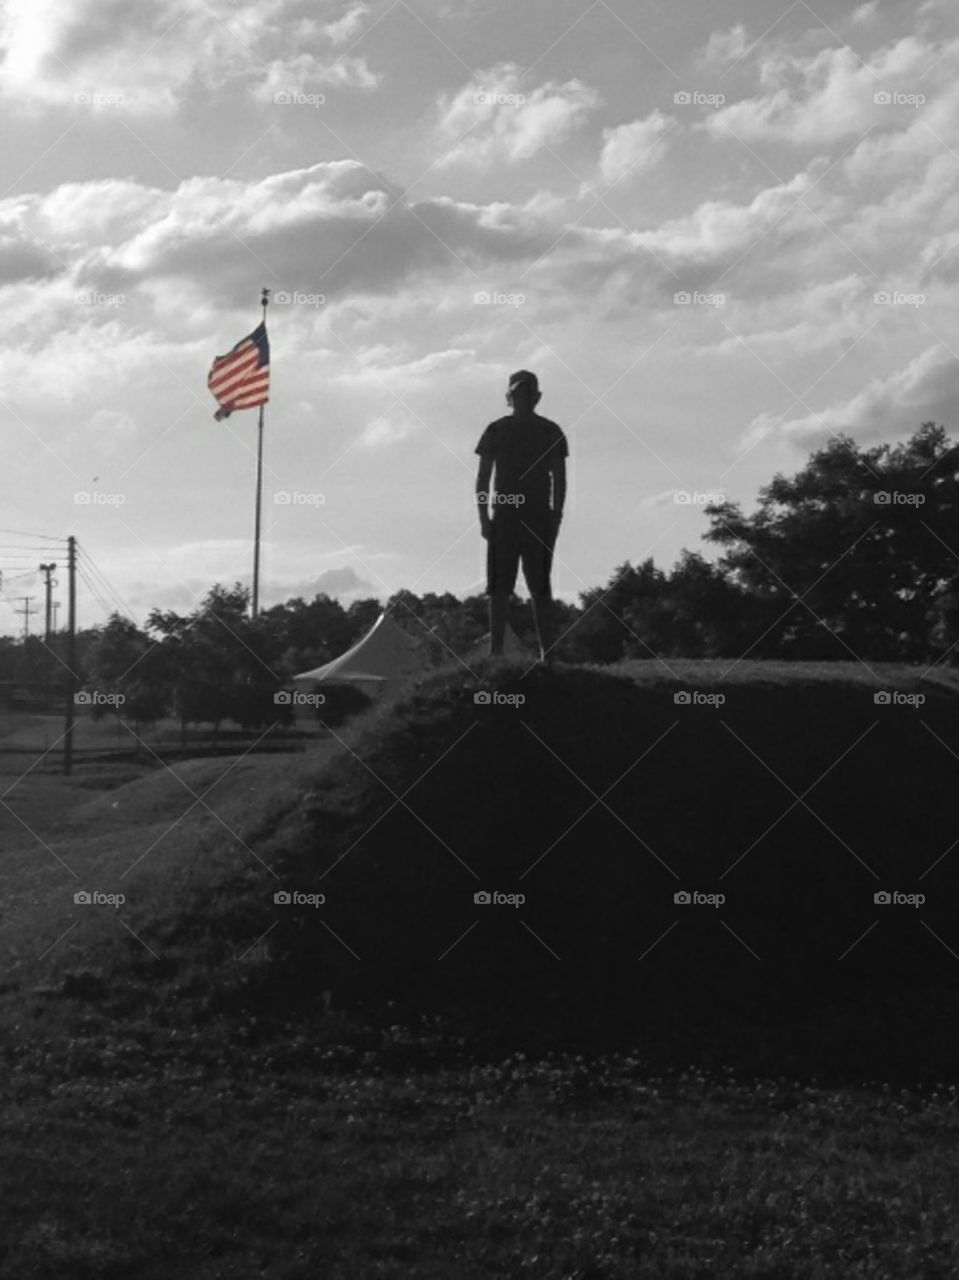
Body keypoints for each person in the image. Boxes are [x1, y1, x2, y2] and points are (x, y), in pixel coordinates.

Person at [475, 370, 568, 661]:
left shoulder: (550, 432)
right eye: (517, 394)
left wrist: (556, 514)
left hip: (539, 516)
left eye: (528, 394)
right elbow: (483, 478)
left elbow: (560, 477)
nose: (522, 400)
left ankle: (547, 653)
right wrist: (484, 518)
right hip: (504, 515)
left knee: (540, 584)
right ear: (508, 397)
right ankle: (496, 652)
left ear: (537, 397)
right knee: (499, 586)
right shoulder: (496, 430)